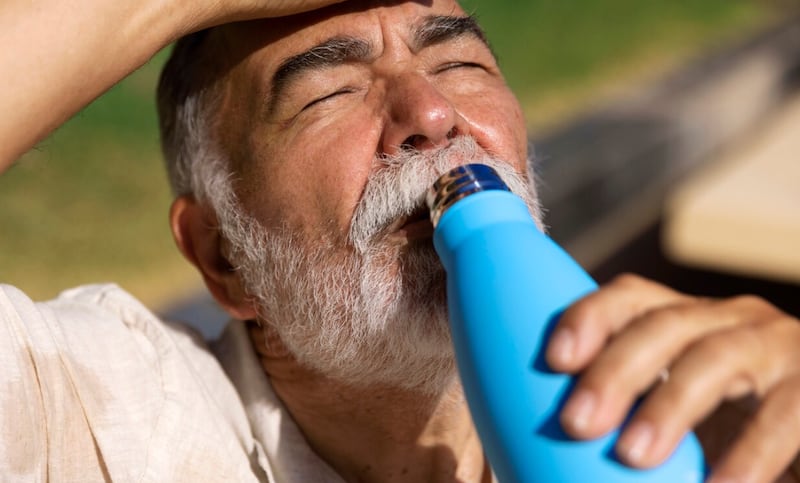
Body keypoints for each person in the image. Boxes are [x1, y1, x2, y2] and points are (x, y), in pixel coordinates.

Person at [2, 1, 800, 482]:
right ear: (221, 254)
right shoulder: (103, 415)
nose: (431, 113)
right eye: (331, 91)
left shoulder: (698, 412)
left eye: (460, 61)